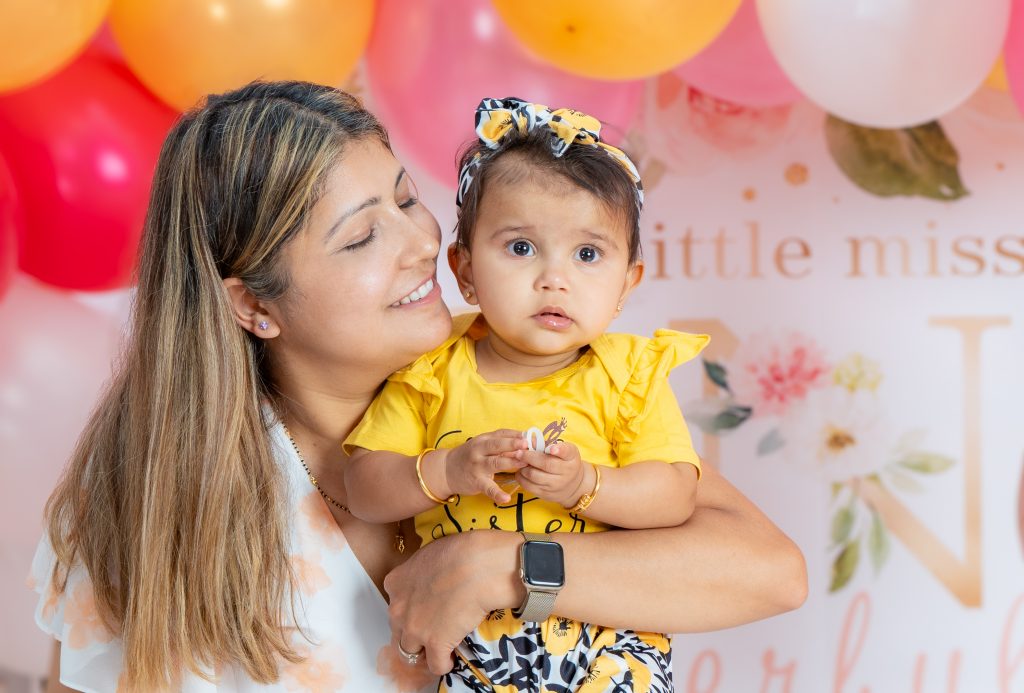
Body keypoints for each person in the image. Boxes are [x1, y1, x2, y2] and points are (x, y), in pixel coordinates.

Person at [30, 81, 806, 693]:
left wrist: (502, 563)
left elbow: (769, 569)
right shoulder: (148, 494)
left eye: (406, 199)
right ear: (255, 305)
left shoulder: (512, 369)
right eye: (362, 236)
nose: (423, 242)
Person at [345, 97, 707, 692]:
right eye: (521, 248)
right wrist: (447, 469)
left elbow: (673, 495)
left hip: (609, 636)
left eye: (587, 254)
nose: (554, 279)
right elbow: (365, 487)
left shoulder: (628, 375)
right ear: (465, 272)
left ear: (626, 285)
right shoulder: (432, 371)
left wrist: (585, 484)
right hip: (477, 648)